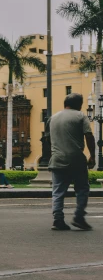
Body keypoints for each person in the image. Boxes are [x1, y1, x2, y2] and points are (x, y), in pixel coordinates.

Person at [48, 93, 96, 231]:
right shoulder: (80, 116)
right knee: (82, 188)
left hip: (56, 158)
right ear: (79, 104)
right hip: (76, 158)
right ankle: (79, 217)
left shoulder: (53, 118)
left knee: (58, 191)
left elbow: (47, 138)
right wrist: (92, 156)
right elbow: (89, 136)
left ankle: (58, 220)